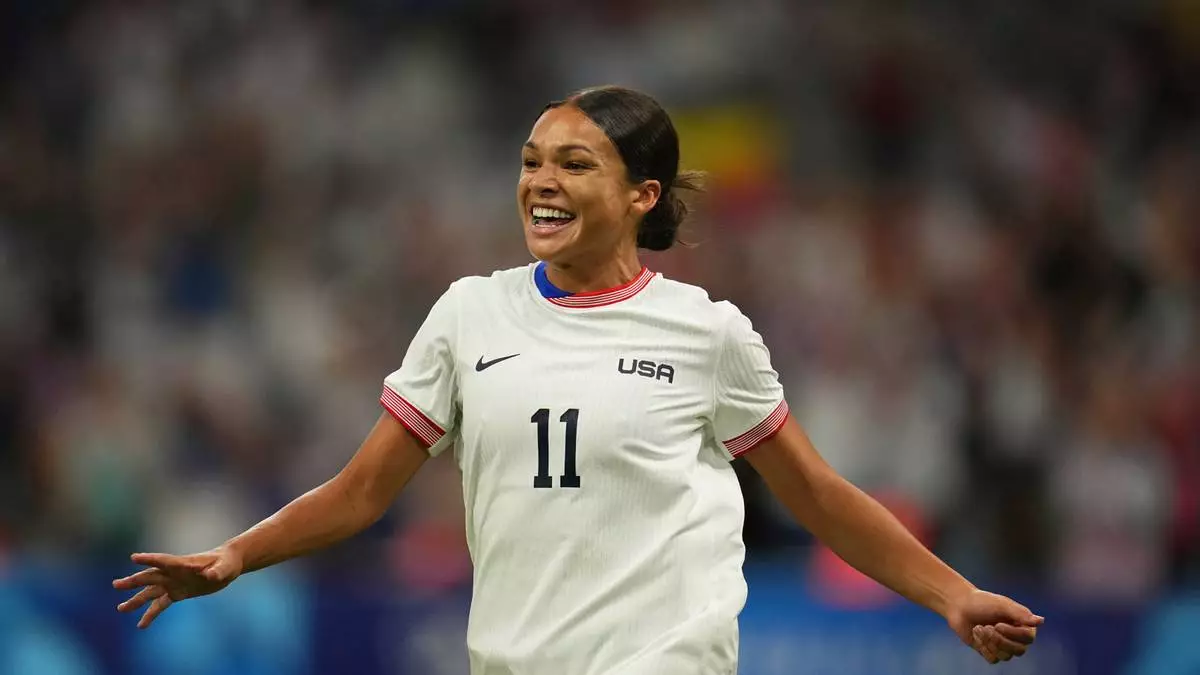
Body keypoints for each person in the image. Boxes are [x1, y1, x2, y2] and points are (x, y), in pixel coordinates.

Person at [114, 86, 1043, 673]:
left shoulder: (707, 333)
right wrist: (234, 556)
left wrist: (952, 595)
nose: (540, 183)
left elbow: (820, 495)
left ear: (642, 195)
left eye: (573, 163)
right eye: (530, 163)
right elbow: (362, 492)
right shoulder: (469, 314)